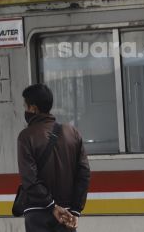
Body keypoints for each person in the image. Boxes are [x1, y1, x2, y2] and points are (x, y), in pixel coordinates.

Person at [17, 84, 90, 232]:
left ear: (33, 108)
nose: (25, 110)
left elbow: (30, 179)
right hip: (66, 213)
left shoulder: (26, 136)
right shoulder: (72, 133)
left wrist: (52, 206)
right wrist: (75, 210)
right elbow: (84, 174)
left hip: (38, 214)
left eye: (25, 106)